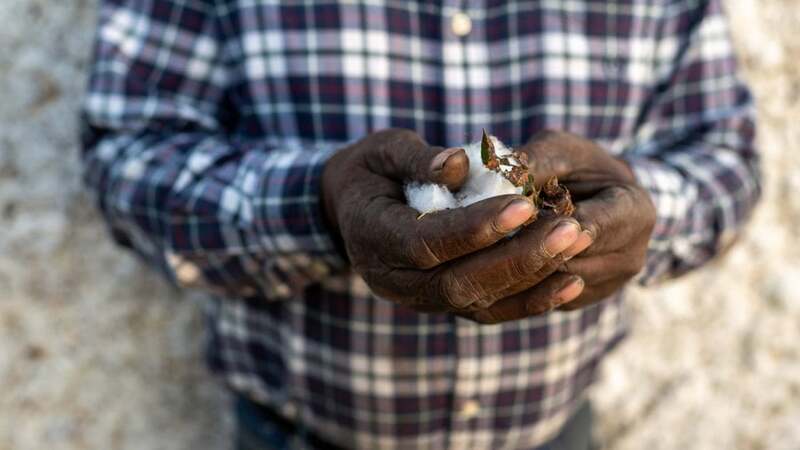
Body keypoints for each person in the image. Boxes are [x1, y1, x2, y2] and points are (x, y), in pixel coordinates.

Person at [81, 1, 760, 449]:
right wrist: (315, 205)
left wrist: (639, 216)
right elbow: (128, 153)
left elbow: (722, 158)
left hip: (555, 433)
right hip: (297, 433)